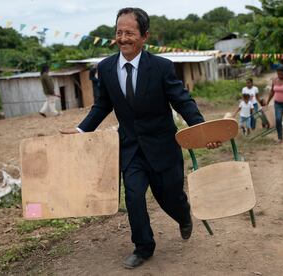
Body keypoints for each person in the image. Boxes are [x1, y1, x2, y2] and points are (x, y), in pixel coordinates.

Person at [59, 7, 220, 269]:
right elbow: (102, 105)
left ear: (144, 36)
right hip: (131, 148)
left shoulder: (161, 67)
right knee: (133, 198)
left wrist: (202, 130)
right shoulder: (107, 68)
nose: (123, 38)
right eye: (119, 32)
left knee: (170, 195)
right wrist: (80, 130)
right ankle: (143, 246)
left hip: (163, 147)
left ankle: (183, 216)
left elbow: (183, 102)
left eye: (130, 33)